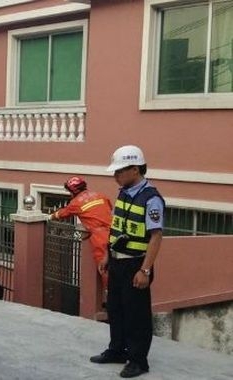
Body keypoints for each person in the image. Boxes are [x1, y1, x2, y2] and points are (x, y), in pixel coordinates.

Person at [90, 145, 165, 378]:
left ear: (134, 169)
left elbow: (156, 237)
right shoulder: (124, 191)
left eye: (119, 171)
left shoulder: (151, 199)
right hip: (117, 262)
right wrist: (106, 255)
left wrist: (145, 270)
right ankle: (117, 350)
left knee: (136, 314)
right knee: (116, 308)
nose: (115, 176)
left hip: (136, 264)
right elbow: (116, 227)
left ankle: (138, 360)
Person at [50, 176, 113, 290]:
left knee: (104, 267)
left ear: (72, 192)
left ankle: (110, 295)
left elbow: (63, 213)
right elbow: (108, 207)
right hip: (114, 231)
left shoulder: (75, 203)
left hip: (100, 237)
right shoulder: (100, 195)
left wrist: (51, 216)